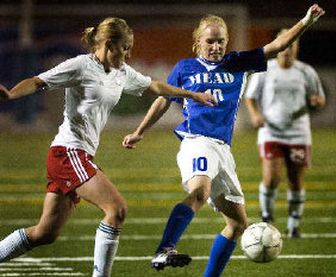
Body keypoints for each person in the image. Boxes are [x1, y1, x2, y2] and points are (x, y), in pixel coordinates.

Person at [0, 17, 216, 277]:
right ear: (109, 44)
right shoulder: (81, 65)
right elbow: (38, 81)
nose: (128, 54)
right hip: (68, 152)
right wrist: (11, 94)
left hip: (77, 155)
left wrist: (192, 95)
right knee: (117, 209)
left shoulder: (121, 72)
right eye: (125, 48)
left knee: (44, 233)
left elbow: (154, 86)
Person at [122, 4, 325, 276]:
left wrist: (306, 21)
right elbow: (163, 100)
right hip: (196, 141)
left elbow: (277, 46)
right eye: (210, 41)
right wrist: (140, 131)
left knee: (238, 224)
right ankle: (164, 249)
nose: (216, 46)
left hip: (222, 150)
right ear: (197, 43)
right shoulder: (185, 68)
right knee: (198, 191)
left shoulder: (237, 63)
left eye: (220, 41)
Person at [244, 29, 326, 238]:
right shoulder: (264, 69)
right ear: (277, 44)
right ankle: (267, 216)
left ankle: (293, 225)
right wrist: (255, 115)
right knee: (271, 178)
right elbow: (250, 97)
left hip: (298, 133)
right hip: (271, 131)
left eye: (292, 45)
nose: (287, 49)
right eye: (284, 44)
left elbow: (320, 98)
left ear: (297, 47)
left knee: (295, 179)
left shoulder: (306, 71)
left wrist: (317, 102)